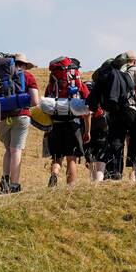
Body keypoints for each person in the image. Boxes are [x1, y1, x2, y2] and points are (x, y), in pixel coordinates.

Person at [0, 53, 40, 194]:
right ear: (25, 65)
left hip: (0, 115)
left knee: (8, 150)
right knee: (16, 150)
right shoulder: (28, 76)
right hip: (21, 115)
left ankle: (5, 181)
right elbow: (35, 101)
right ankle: (14, 185)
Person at [103, 51, 136, 181]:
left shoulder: (114, 72)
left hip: (114, 111)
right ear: (134, 61)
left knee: (116, 142)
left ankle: (113, 176)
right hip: (131, 110)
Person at [41, 56, 89, 188]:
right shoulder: (79, 83)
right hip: (73, 123)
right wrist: (87, 131)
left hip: (56, 123)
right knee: (71, 158)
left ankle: (54, 174)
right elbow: (88, 105)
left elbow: (47, 103)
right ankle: (70, 189)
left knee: (57, 157)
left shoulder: (53, 82)